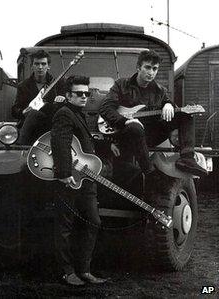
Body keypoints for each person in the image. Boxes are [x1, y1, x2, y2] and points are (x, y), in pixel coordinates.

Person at [99, 49, 207, 177]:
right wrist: (125, 121)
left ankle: (187, 159)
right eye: (148, 67)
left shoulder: (160, 91)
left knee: (185, 115)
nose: (151, 72)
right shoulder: (121, 84)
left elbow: (168, 103)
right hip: (125, 134)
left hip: (149, 135)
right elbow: (105, 108)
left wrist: (169, 104)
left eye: (155, 69)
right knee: (135, 127)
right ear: (138, 67)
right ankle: (149, 172)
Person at [51, 75, 108, 285]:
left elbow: (81, 145)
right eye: (79, 93)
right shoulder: (64, 113)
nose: (84, 97)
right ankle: (67, 272)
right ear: (68, 95)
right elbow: (60, 142)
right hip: (70, 178)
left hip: (85, 178)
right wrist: (64, 173)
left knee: (93, 221)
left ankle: (84, 270)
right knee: (65, 225)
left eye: (87, 93)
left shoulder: (79, 114)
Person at [12, 49, 65, 145]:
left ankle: (20, 145)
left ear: (48, 66)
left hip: (50, 126)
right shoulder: (23, 86)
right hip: (29, 129)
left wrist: (61, 100)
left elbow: (64, 108)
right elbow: (14, 110)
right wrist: (23, 112)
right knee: (33, 113)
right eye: (37, 64)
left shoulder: (58, 83)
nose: (40, 67)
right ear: (32, 66)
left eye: (43, 64)